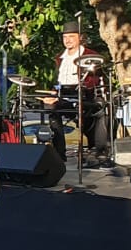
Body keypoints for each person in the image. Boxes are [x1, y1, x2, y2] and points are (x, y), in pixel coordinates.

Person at [41, 21, 111, 161]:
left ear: (80, 37)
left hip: (85, 95)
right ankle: (59, 153)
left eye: (71, 36)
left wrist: (83, 87)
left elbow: (95, 81)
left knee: (100, 111)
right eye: (65, 37)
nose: (67, 40)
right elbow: (57, 82)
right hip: (63, 95)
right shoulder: (59, 58)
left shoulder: (91, 56)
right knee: (50, 107)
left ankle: (99, 150)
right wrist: (53, 94)